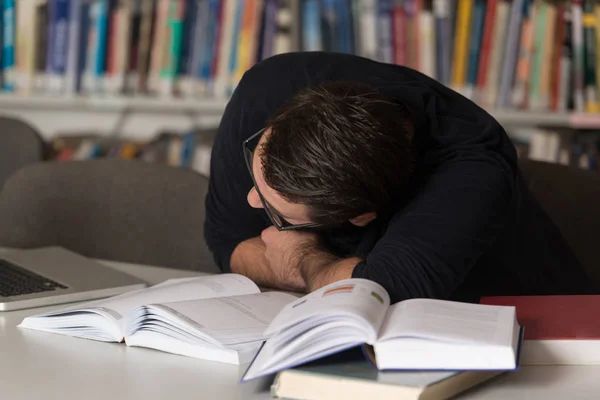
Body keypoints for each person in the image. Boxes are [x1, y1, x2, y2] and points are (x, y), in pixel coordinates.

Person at [204, 51, 595, 303]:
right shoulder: (265, 90)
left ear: (360, 216)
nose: (252, 199)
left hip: (530, 326)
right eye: (255, 154)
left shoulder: (472, 172)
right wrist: (327, 272)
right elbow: (228, 242)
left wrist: (298, 258)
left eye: (277, 214)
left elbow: (374, 289)